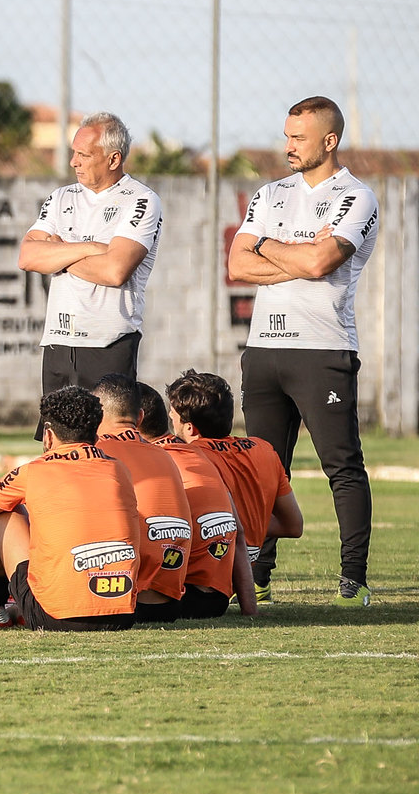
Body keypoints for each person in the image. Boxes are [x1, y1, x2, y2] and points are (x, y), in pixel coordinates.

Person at [227, 96, 379, 607]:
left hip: (323, 349)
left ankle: (353, 579)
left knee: (342, 465)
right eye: (287, 135)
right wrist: (291, 252)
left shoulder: (355, 197)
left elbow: (321, 263)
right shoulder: (270, 193)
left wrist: (267, 246)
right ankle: (259, 575)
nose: (287, 145)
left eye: (298, 137)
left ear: (329, 141)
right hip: (263, 348)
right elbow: (237, 264)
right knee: (264, 469)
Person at [0, 387, 141, 632]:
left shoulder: (34, 471)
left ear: (48, 434)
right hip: (122, 614)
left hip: (56, 617)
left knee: (3, 513)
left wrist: (18, 543)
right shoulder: (120, 470)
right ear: (96, 434)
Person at [17, 114, 162, 396]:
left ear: (113, 159)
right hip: (58, 343)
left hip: (108, 344)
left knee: (107, 439)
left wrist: (58, 251)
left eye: (83, 154)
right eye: (74, 153)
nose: (74, 162)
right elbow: (27, 256)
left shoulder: (141, 199)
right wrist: (90, 248)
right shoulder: (61, 197)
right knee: (58, 440)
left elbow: (114, 271)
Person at [167, 370, 303, 595]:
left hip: (204, 579)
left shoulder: (187, 456)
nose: (171, 419)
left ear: (189, 427)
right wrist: (252, 519)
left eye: (172, 415)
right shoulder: (264, 450)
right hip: (241, 571)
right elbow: (293, 526)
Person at [141, 381, 256, 619]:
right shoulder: (199, 456)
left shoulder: (154, 462)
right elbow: (240, 533)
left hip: (184, 596)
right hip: (217, 599)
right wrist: (250, 609)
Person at [90, 374, 193, 622]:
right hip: (169, 603)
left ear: (95, 416)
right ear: (139, 418)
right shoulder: (164, 455)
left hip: (122, 596)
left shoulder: (97, 453)